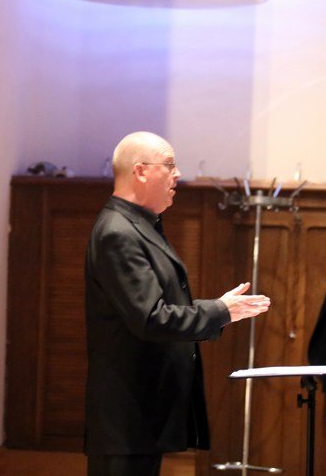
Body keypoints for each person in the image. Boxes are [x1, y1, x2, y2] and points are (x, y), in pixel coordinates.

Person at [84, 131, 271, 476]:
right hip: (126, 415)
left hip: (141, 415)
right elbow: (151, 318)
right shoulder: (118, 232)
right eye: (169, 165)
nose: (178, 174)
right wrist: (219, 311)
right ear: (140, 171)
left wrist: (219, 309)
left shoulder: (139, 225)